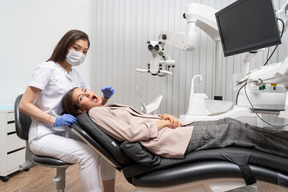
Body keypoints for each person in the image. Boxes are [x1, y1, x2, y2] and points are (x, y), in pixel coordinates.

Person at [62, 87, 288, 159]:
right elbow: (130, 134)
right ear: (80, 108)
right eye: (81, 97)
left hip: (170, 132)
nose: (87, 93)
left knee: (231, 123)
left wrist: (163, 117)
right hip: (169, 140)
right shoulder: (97, 115)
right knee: (235, 129)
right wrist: (162, 125)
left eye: (84, 90)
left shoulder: (104, 108)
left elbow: (137, 121)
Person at [19, 30, 115, 192]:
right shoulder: (47, 68)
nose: (81, 54)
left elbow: (92, 105)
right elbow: (25, 104)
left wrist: (104, 98)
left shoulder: (77, 76)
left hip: (67, 132)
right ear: (65, 46)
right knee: (87, 155)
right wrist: (54, 120)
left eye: (84, 51)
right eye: (76, 48)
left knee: (106, 148)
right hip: (43, 134)